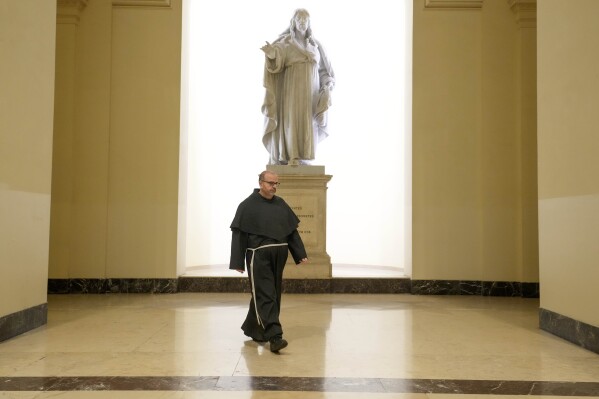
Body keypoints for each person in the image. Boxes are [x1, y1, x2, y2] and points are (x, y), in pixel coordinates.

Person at [229, 170, 308, 353]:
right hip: (259, 255)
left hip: (279, 255)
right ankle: (275, 336)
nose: (273, 187)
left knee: (271, 293)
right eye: (270, 183)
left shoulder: (280, 204)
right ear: (260, 182)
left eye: (276, 184)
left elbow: (291, 231)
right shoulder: (247, 206)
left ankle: (254, 328)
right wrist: (238, 261)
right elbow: (239, 235)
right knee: (266, 294)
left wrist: (299, 253)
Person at [261, 8, 335, 166]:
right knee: (292, 120)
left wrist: (328, 85)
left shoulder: (316, 46)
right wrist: (272, 55)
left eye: (305, 20)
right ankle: (292, 155)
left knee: (307, 122)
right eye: (299, 19)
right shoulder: (286, 43)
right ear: (293, 22)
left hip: (311, 93)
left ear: (309, 24)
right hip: (292, 90)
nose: (302, 23)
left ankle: (304, 156)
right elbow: (276, 60)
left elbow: (325, 72)